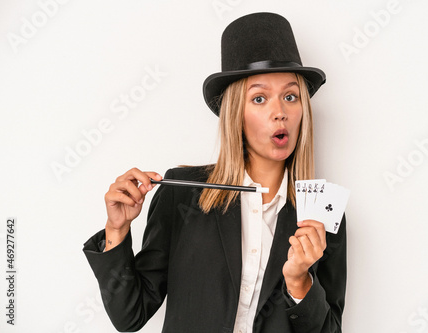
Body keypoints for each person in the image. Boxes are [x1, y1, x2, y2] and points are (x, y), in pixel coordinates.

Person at [83, 12, 346, 333]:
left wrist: (299, 283)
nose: (279, 113)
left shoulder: (321, 214)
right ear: (235, 113)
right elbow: (130, 316)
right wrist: (117, 230)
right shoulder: (181, 193)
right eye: (260, 98)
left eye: (290, 96)